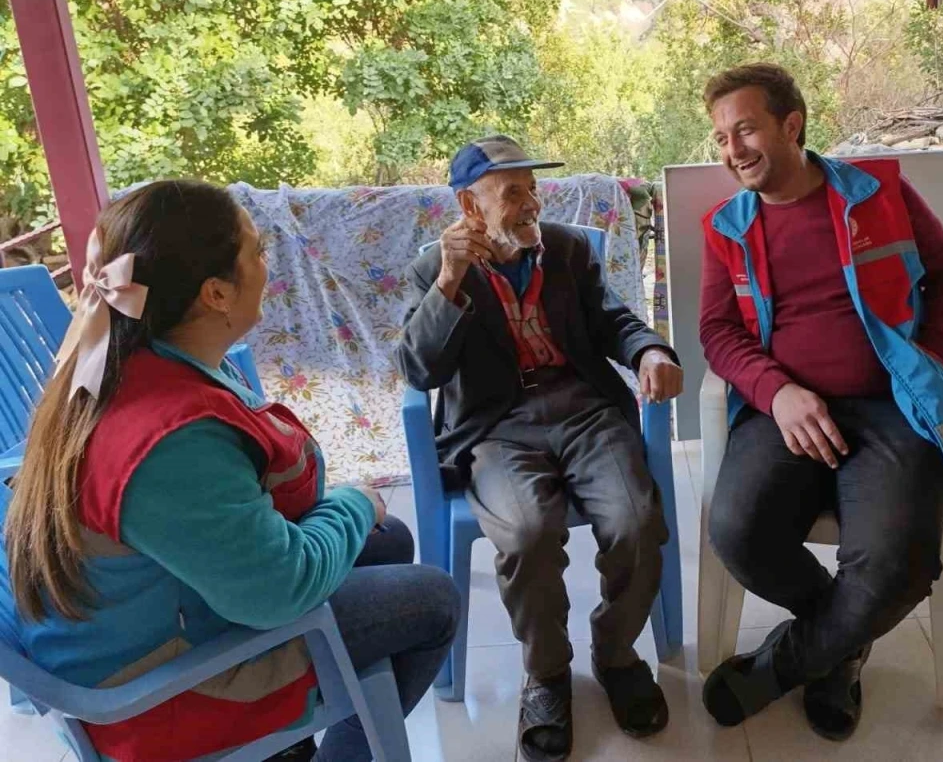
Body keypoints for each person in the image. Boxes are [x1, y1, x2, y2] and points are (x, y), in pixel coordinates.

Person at [0, 181, 459, 762]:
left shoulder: (130, 359)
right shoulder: (169, 438)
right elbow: (280, 590)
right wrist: (354, 502)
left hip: (150, 613)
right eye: (258, 251)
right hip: (159, 689)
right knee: (432, 601)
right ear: (215, 293)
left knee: (386, 539)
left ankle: (293, 743)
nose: (268, 266)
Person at [697, 63, 943, 740]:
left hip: (893, 405)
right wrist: (778, 392)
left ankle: (790, 662)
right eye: (721, 138)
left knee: (895, 563)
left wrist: (931, 356)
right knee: (738, 530)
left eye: (745, 129)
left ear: (791, 124)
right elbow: (717, 331)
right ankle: (842, 639)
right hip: (786, 413)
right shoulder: (725, 227)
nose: (732, 150)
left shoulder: (877, 193)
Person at [396, 135, 683, 762]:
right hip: (497, 427)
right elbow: (420, 370)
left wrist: (649, 350)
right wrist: (450, 282)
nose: (530, 203)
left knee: (636, 522)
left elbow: (612, 319)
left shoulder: (568, 249)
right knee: (527, 533)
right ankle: (548, 674)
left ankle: (615, 653)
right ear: (470, 206)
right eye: (511, 193)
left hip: (585, 411)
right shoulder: (436, 270)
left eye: (532, 188)